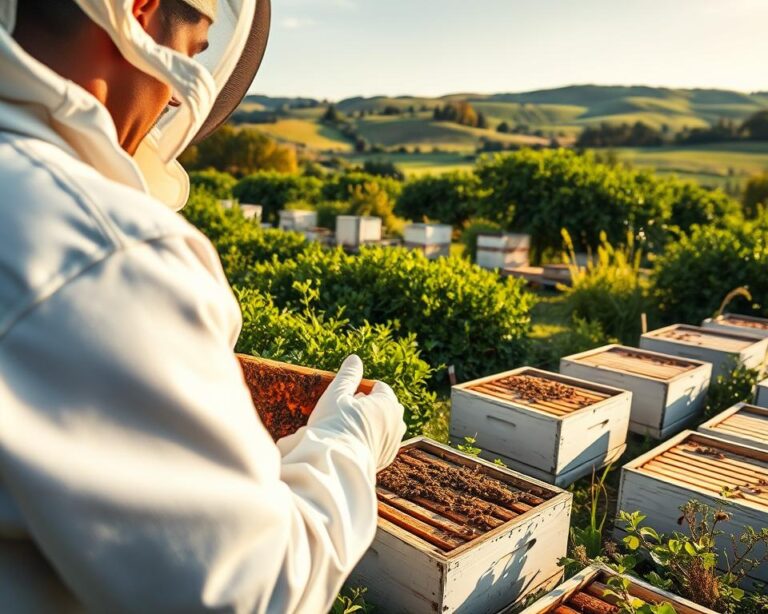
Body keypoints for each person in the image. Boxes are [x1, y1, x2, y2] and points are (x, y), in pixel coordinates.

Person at [0, 0, 406, 612]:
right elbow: (257, 591)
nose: (172, 97)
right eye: (192, 51)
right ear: (139, 10)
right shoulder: (106, 251)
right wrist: (347, 443)